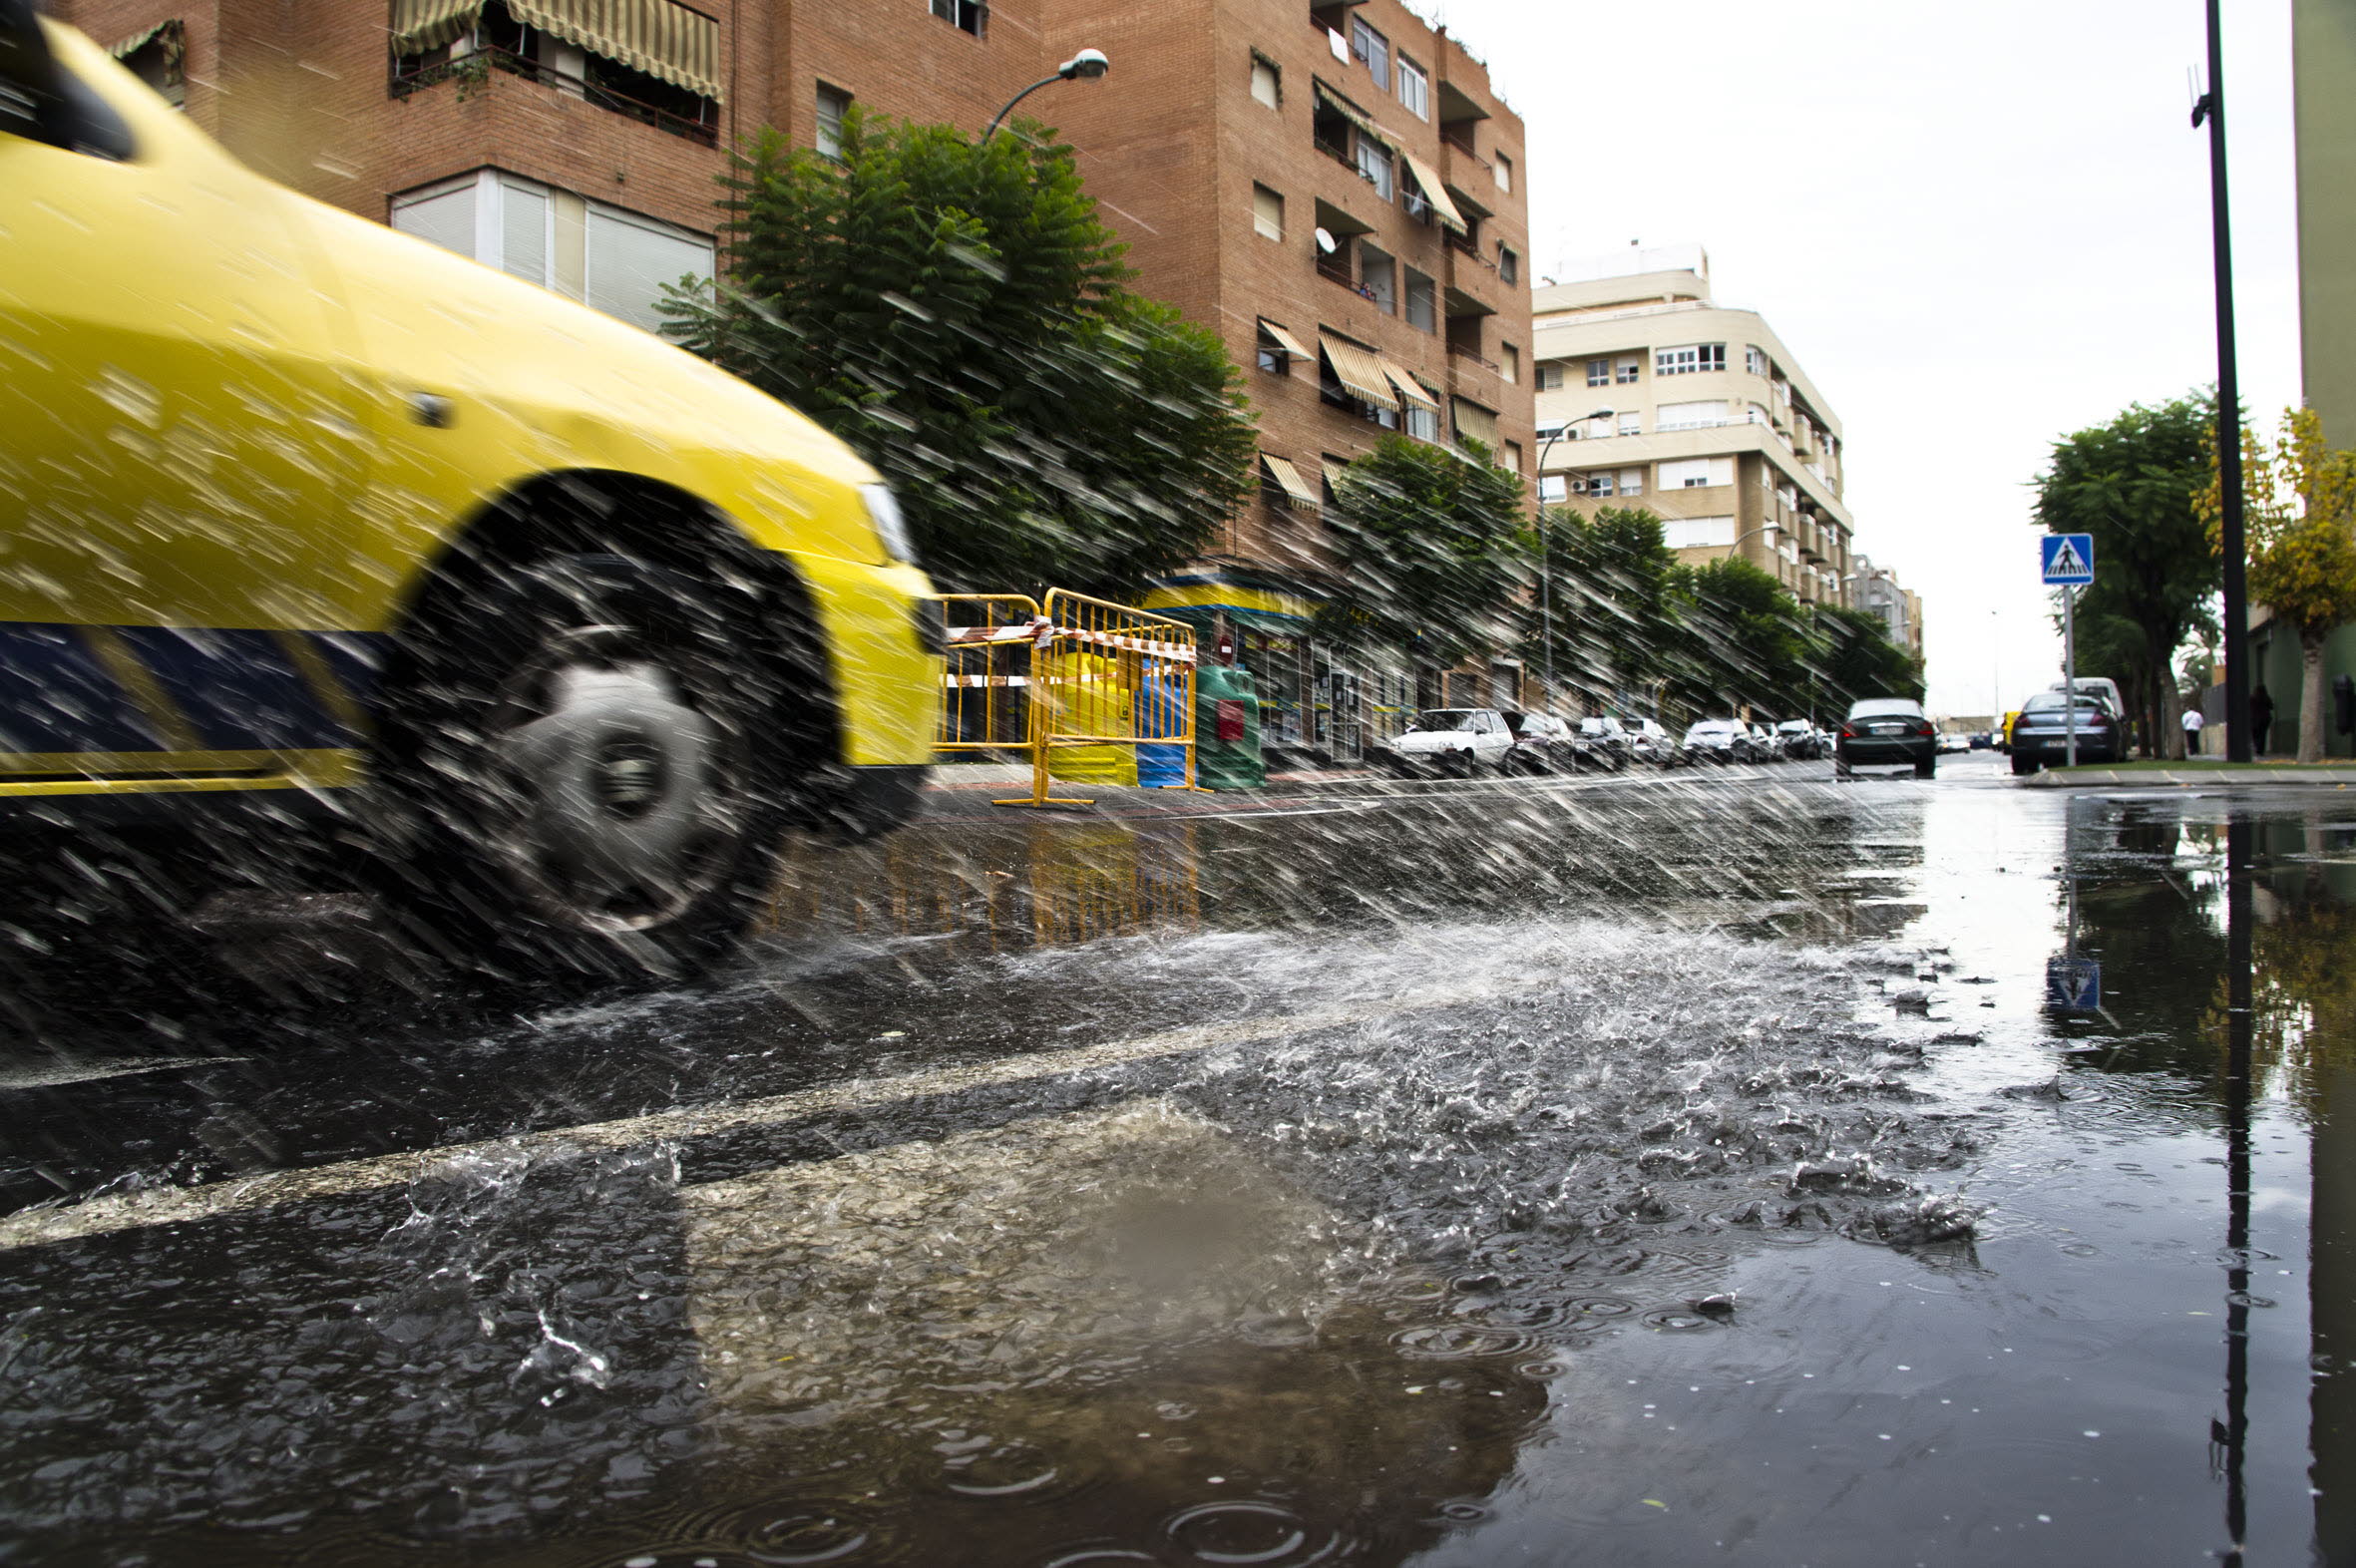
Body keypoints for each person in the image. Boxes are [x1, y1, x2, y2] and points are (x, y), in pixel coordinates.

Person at [2250, 683, 2274, 756]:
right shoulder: (2266, 698)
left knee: (2255, 734)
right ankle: (2260, 750)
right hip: (2265, 719)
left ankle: (2257, 747)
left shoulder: (2252, 698)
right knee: (2262, 735)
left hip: (2255, 719)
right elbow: (2271, 707)